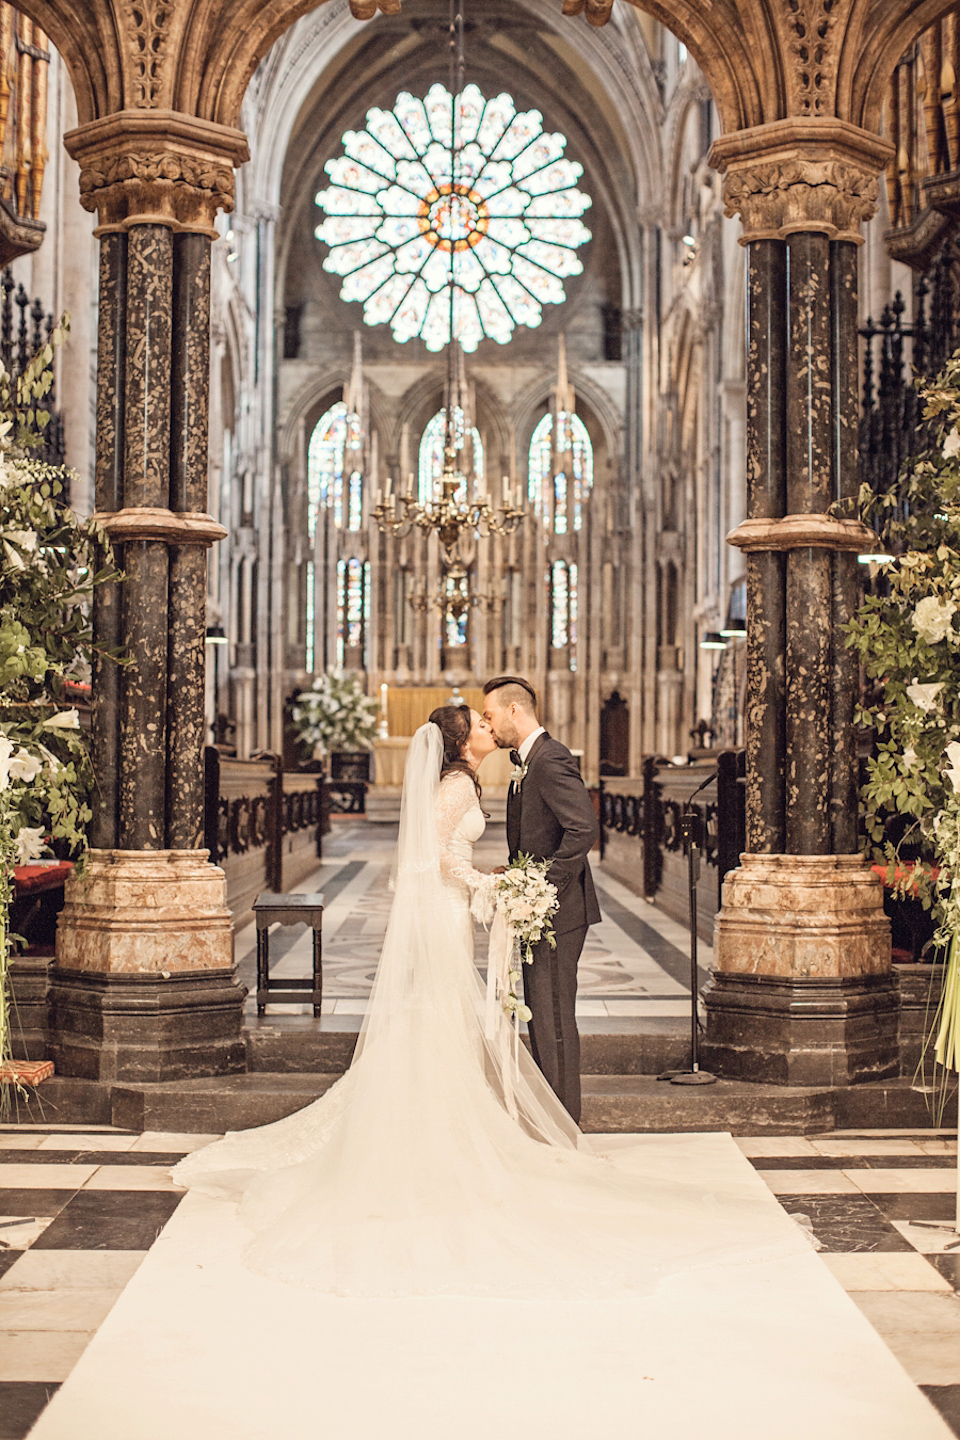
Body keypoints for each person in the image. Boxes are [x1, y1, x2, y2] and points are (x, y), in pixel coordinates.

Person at [172, 705, 795, 1299]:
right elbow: (435, 854)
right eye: (475, 723)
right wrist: (485, 883)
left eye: (487, 717)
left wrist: (488, 879)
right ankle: (431, 1128)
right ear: (458, 740)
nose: (485, 726)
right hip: (448, 907)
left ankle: (426, 1115)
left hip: (450, 908)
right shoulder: (456, 787)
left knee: (440, 1010)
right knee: (441, 1008)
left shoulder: (463, 780)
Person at [482, 675, 600, 1123]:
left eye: (491, 715)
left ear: (515, 710)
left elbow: (583, 828)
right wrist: (515, 874)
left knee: (552, 1023)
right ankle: (556, 1121)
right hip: (544, 907)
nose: (489, 726)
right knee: (543, 1019)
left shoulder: (549, 758)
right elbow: (542, 834)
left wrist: (542, 885)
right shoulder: (527, 761)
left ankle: (564, 1127)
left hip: (558, 910)